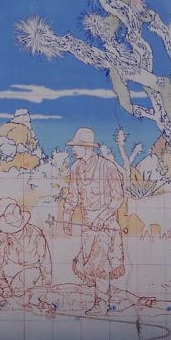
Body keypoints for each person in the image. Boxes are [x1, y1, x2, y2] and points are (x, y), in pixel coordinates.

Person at [61, 126, 126, 314]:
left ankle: (102, 304)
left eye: (76, 146)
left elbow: (118, 197)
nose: (73, 149)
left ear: (86, 147)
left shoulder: (108, 166)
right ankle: (100, 297)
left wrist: (102, 216)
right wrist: (66, 217)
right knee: (85, 263)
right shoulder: (76, 168)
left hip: (106, 227)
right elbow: (73, 195)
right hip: (88, 227)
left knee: (99, 265)